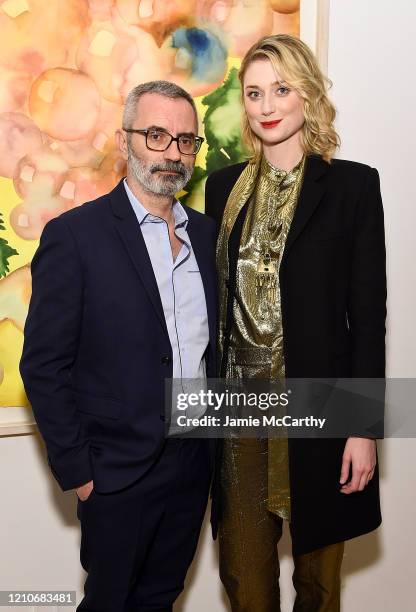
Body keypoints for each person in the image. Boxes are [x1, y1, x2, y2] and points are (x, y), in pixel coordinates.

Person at [20, 80, 217, 612]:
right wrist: (82, 474)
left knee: (161, 599)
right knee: (110, 602)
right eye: (156, 135)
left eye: (185, 140)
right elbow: (43, 366)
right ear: (123, 140)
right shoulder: (75, 237)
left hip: (193, 461)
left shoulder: (206, 236)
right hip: (117, 471)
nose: (172, 153)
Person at [205, 34, 386, 612]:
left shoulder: (354, 186)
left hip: (321, 411)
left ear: (307, 94)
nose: (266, 105)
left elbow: (367, 315)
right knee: (246, 581)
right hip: (237, 415)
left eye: (281, 89)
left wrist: (363, 429)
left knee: (318, 584)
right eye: (254, 93)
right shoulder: (222, 188)